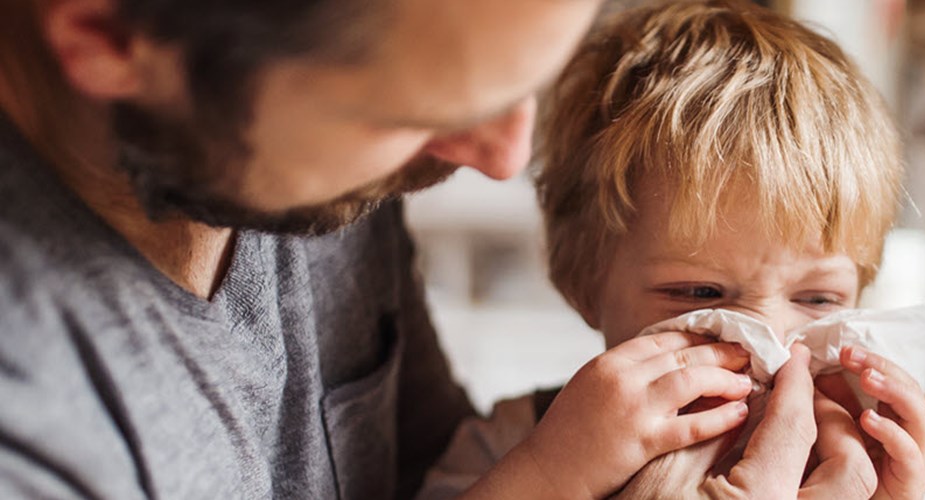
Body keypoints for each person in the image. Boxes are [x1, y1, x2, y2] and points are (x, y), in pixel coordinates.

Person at [0, 0, 880, 498]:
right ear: (111, 36)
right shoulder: (32, 426)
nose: (503, 162)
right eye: (415, 112)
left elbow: (422, 469)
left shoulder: (315, 168)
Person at [423, 1, 925, 498]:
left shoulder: (868, 450)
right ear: (583, 283)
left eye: (818, 299)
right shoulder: (523, 443)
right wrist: (551, 475)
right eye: (699, 294)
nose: (774, 348)